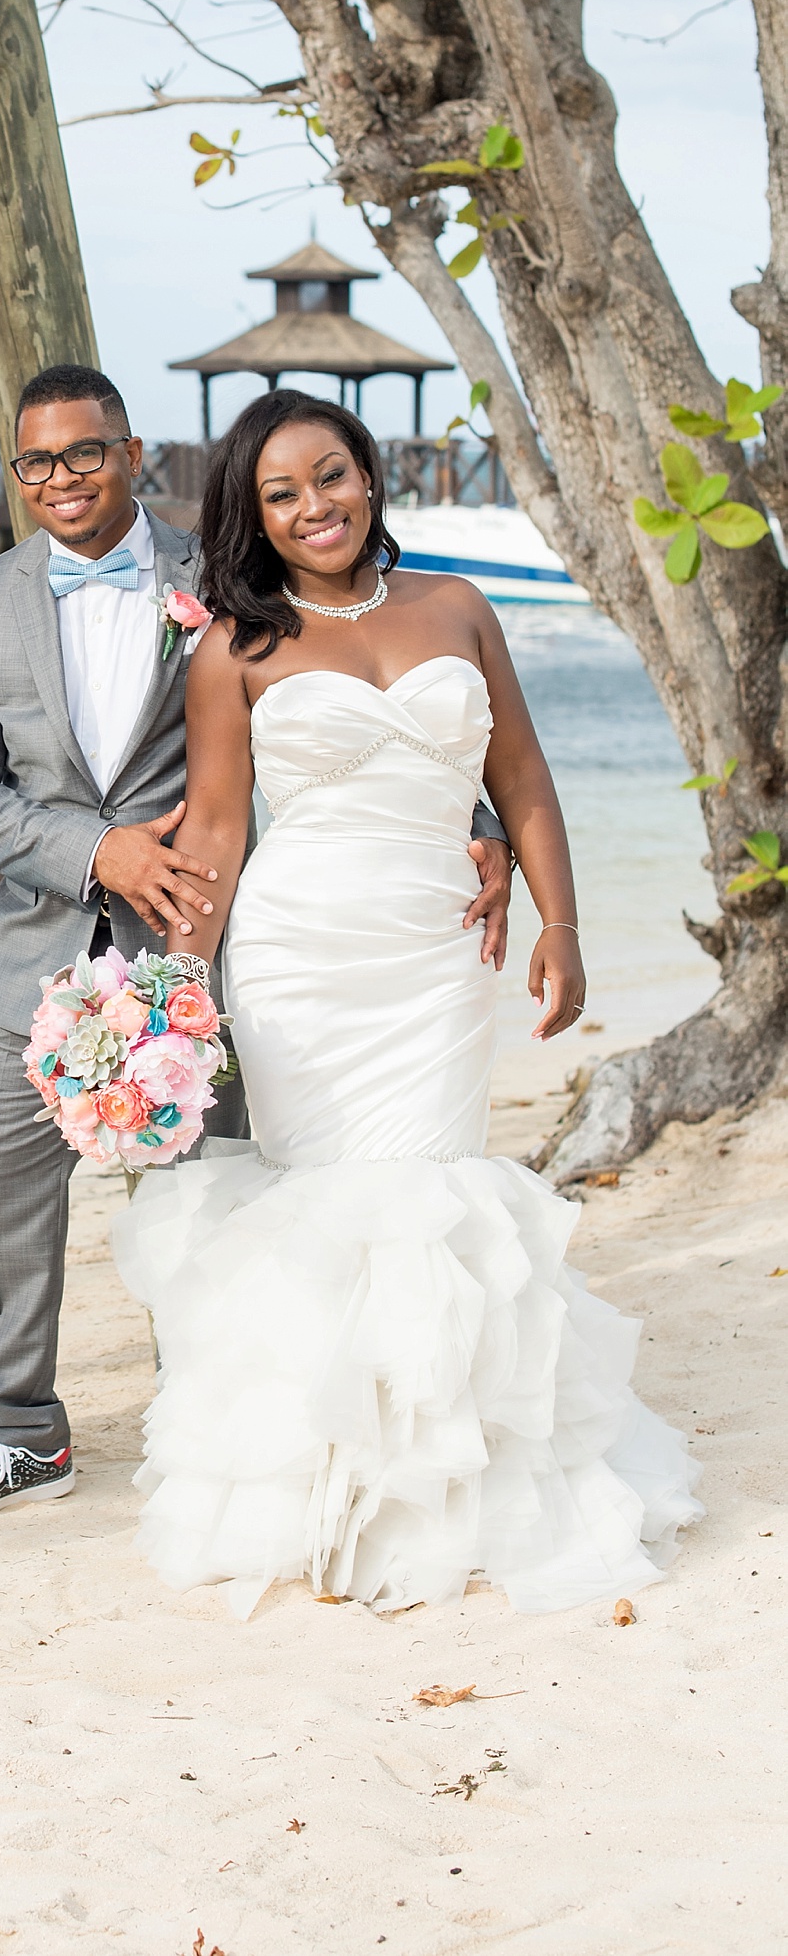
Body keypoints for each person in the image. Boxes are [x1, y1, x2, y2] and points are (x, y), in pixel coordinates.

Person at [114, 392, 703, 1615]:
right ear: (254, 517)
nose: (312, 506)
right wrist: (174, 990)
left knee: (433, 1190)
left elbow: (522, 774)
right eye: (280, 494)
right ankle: (319, 1490)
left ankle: (445, 1488)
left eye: (329, 477)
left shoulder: (457, 606)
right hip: (298, 956)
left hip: (433, 957)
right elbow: (217, 830)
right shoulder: (234, 648)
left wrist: (563, 924)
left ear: (368, 478)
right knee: (330, 1207)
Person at [0, 367, 514, 1523]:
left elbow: (362, 696)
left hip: (212, 949)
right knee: (8, 1187)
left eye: (84, 453)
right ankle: (18, 1432)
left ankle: (216, 1413)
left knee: (218, 1193)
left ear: (131, 452)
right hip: (41, 938)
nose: (60, 480)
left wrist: (474, 823)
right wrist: (99, 852)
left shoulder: (222, 573)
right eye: (35, 462)